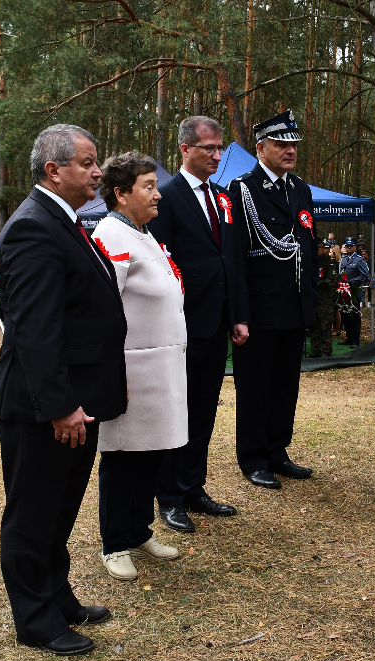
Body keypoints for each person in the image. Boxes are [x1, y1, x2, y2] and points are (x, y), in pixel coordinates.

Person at [0, 124, 127, 656]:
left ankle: (58, 596)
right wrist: (62, 405)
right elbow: (35, 330)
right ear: (54, 170)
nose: (98, 172)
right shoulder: (32, 229)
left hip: (74, 401)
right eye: (89, 163)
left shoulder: (62, 222)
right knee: (34, 515)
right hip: (43, 408)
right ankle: (36, 620)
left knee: (60, 510)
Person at [146, 115, 247, 531]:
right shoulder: (165, 198)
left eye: (220, 148)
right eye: (209, 148)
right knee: (177, 412)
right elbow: (161, 261)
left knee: (203, 409)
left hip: (217, 321)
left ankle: (194, 486)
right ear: (185, 149)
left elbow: (232, 259)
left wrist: (239, 315)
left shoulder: (222, 198)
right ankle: (169, 497)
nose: (217, 156)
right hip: (182, 324)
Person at [91, 152, 184, 581]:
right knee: (123, 456)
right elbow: (105, 309)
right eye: (147, 186)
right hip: (131, 369)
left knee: (152, 452)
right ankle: (114, 542)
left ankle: (138, 529)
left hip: (160, 363)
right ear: (120, 193)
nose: (157, 193)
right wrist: (112, 371)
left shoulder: (143, 233)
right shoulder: (110, 235)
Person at [227, 109, 317, 490]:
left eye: (293, 145)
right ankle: (253, 458)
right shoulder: (241, 189)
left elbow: (307, 249)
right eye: (281, 144)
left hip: (293, 306)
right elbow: (234, 258)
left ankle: (278, 450)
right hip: (260, 308)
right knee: (255, 385)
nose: (289, 151)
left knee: (285, 384)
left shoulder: (300, 189)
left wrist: (309, 306)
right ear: (260, 148)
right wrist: (239, 313)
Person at [337, 237, 369, 349]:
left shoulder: (359, 260)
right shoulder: (344, 259)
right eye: (347, 246)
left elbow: (365, 276)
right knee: (345, 315)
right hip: (343, 292)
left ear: (355, 247)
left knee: (354, 316)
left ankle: (355, 340)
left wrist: (351, 282)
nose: (349, 248)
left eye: (351, 246)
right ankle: (349, 337)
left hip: (354, 292)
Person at [310, 239, 338, 358]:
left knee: (325, 326)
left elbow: (332, 279)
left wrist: (319, 283)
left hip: (325, 300)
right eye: (315, 247)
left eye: (320, 247)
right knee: (314, 326)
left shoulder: (328, 262)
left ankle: (326, 351)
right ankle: (315, 350)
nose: (318, 250)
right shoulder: (310, 262)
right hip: (313, 299)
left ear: (325, 248)